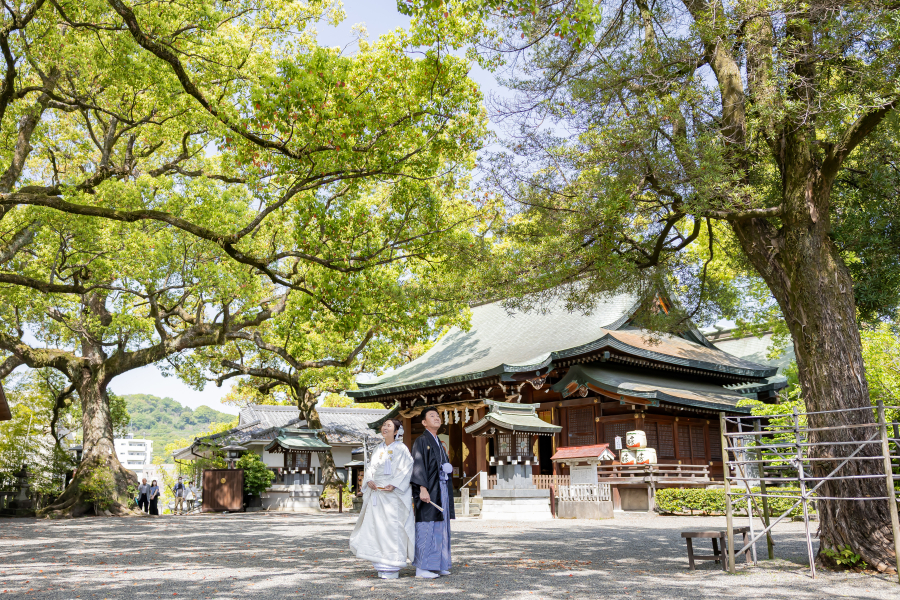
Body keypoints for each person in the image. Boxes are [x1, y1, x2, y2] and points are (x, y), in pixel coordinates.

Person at [349, 419, 415, 579]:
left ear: (396, 431)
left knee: (393, 527)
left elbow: (407, 468)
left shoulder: (401, 448)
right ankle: (379, 562)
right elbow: (370, 468)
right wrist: (369, 480)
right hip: (377, 493)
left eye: (389, 426)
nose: (385, 428)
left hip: (393, 495)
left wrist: (395, 484)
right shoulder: (378, 448)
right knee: (376, 527)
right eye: (384, 425)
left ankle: (393, 563)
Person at [411, 407, 455, 578]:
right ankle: (422, 568)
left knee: (440, 526)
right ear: (424, 422)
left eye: (438, 416)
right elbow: (418, 464)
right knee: (427, 526)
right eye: (432, 416)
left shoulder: (439, 442)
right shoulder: (421, 441)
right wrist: (422, 488)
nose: (437, 418)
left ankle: (438, 564)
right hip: (428, 489)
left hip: (441, 488)